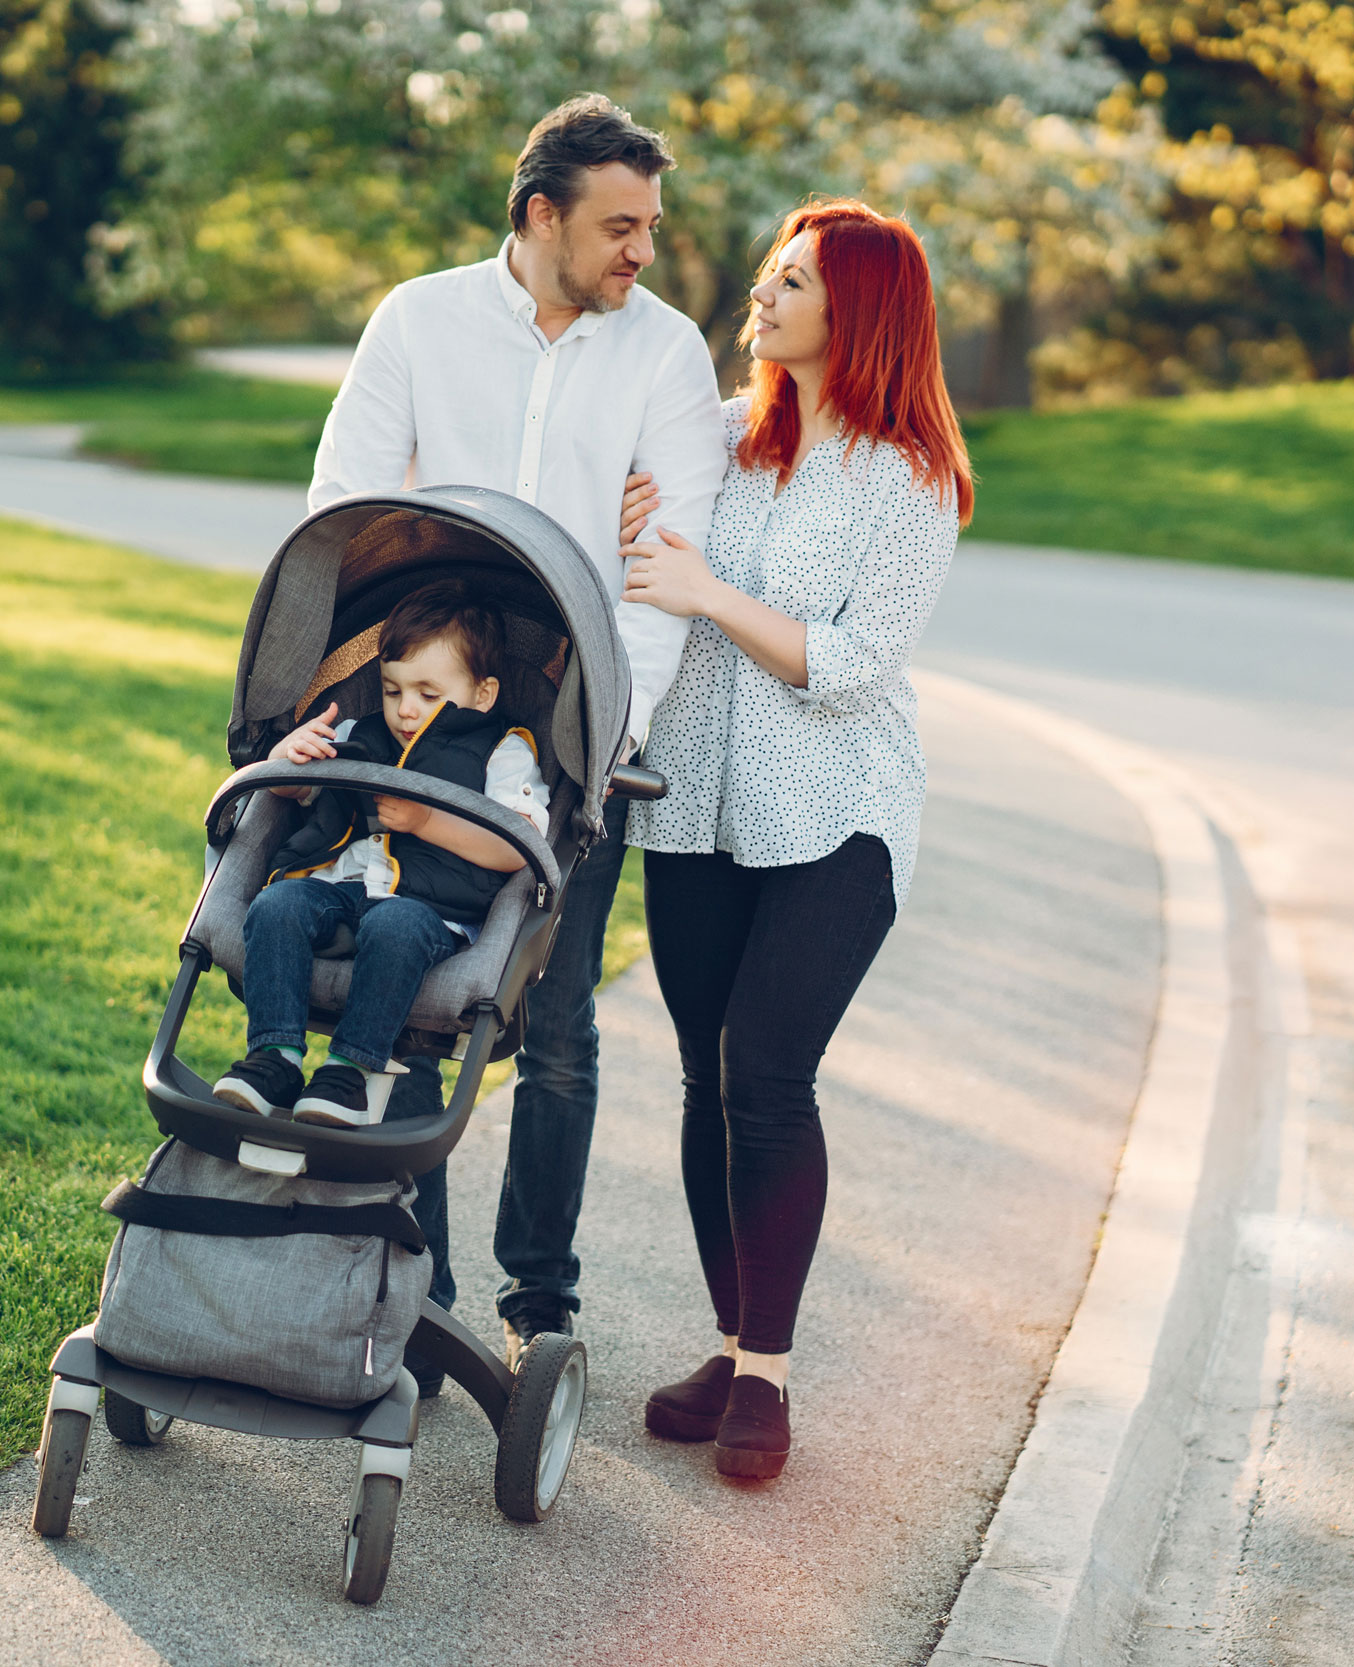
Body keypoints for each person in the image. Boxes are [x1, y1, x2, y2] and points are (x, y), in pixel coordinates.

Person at [310, 93, 726, 1367]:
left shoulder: (665, 353)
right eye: (618, 225)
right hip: (417, 705)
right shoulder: (419, 320)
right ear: (540, 214)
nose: (640, 251)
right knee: (422, 984)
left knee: (553, 1023)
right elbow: (350, 510)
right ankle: (415, 1284)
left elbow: (663, 570)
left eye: (649, 227)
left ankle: (538, 1294)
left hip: (578, 719)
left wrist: (607, 734)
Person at [616, 200, 972, 1481]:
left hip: (837, 815)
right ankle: (727, 1342)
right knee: (705, 1078)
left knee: (767, 1072)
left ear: (857, 311)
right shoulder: (722, 439)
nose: (762, 294)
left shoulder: (910, 477)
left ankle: (765, 1376)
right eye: (771, 273)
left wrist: (709, 591)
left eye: (793, 280)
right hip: (693, 805)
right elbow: (635, 532)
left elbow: (857, 666)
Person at [215, 582, 548, 1128]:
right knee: (277, 905)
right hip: (340, 890)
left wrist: (427, 821)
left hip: (429, 910)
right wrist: (286, 761)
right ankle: (274, 1057)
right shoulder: (358, 733)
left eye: (427, 694)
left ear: (483, 694)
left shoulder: (503, 752)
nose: (405, 709)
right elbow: (296, 794)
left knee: (394, 924)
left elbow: (520, 847)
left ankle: (350, 1069)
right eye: (392, 691)